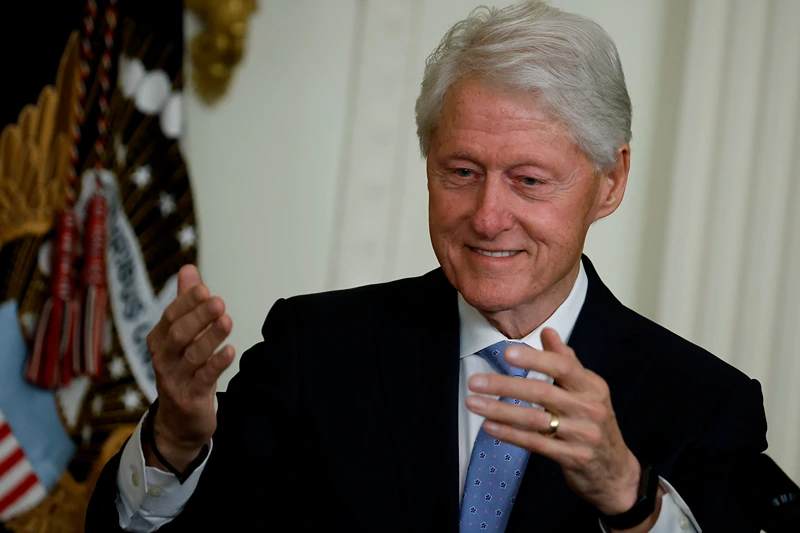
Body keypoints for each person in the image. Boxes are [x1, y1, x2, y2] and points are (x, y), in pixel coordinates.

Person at [85, 1, 768, 532]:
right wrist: (173, 439)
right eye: (461, 171)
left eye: (529, 179)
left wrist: (631, 496)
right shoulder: (316, 349)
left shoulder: (704, 404)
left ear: (610, 181)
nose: (488, 215)